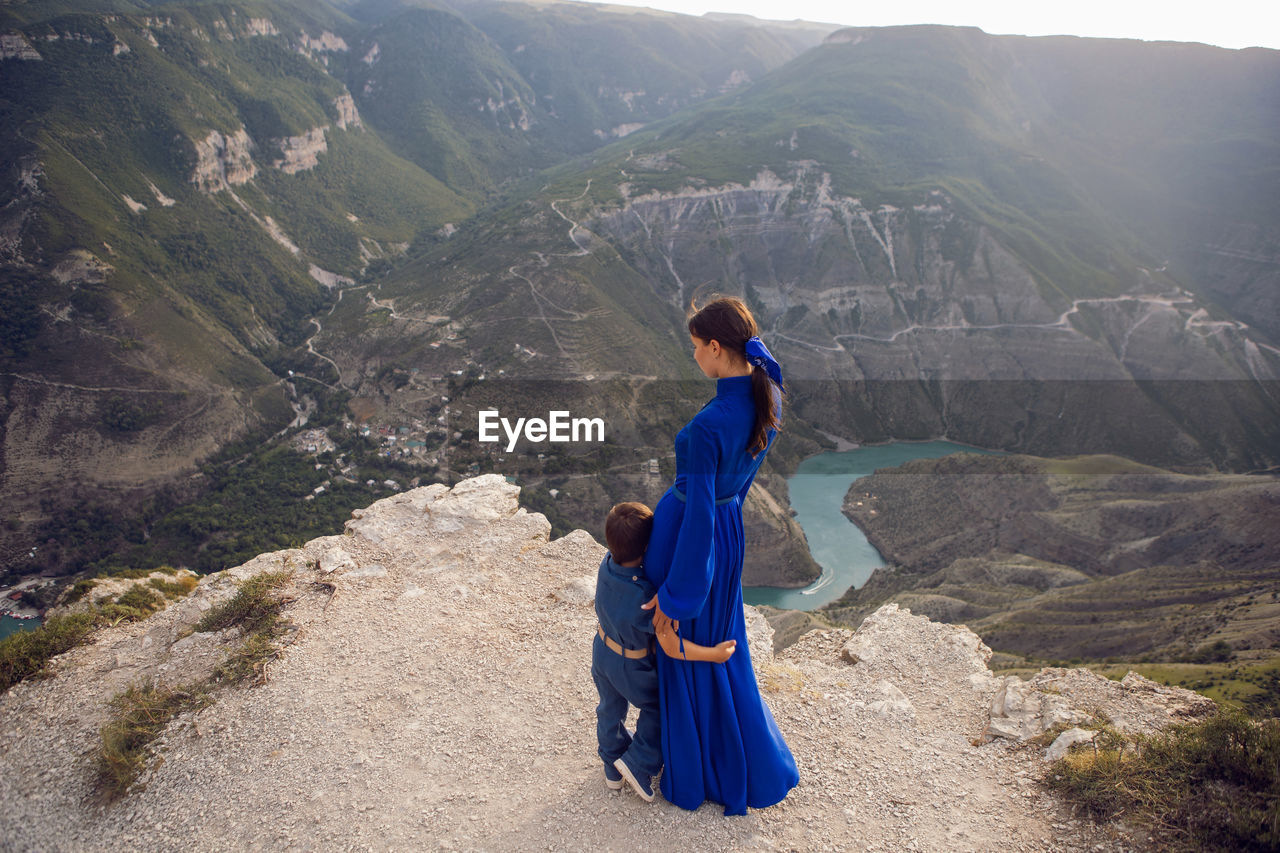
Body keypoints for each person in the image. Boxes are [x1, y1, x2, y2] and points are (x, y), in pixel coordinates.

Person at [641, 296, 799, 815]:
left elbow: (699, 517)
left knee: (683, 643)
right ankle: (742, 756)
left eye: (694, 348)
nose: (693, 358)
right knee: (722, 645)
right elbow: (725, 502)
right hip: (728, 533)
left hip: (694, 536)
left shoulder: (711, 425)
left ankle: (700, 770)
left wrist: (678, 595)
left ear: (715, 347)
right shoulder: (766, 394)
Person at [592, 501, 738, 804]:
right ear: (649, 547)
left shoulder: (606, 565)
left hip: (602, 651)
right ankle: (639, 763)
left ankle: (611, 764)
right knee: (659, 707)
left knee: (610, 708)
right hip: (630, 664)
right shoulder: (646, 596)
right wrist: (714, 654)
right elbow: (671, 645)